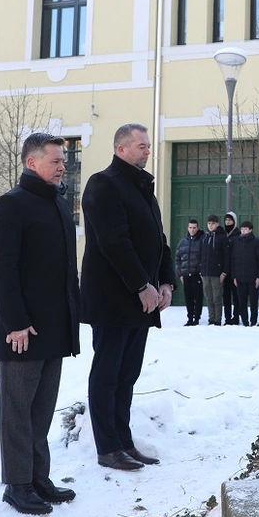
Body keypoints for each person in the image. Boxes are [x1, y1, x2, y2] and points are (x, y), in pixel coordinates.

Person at [0, 132, 80, 515]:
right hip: (22, 330)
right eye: (56, 161)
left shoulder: (58, 205)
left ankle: (39, 478)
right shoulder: (11, 205)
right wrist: (16, 323)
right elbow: (3, 269)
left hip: (55, 326)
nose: (63, 167)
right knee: (17, 411)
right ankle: (18, 484)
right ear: (32, 163)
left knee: (42, 410)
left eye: (63, 161)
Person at [80, 123, 173, 473]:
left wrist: (165, 282)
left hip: (142, 298)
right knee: (108, 372)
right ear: (120, 149)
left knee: (128, 373)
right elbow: (113, 242)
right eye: (140, 146)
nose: (147, 150)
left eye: (148, 146)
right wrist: (140, 284)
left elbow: (159, 240)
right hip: (113, 297)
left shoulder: (143, 187)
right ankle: (107, 447)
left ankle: (124, 441)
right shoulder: (103, 184)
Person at [228, 220, 259, 326]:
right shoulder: (236, 242)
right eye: (242, 229)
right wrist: (234, 276)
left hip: (253, 278)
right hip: (239, 278)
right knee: (241, 302)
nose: (243, 231)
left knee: (253, 302)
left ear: (250, 230)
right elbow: (233, 260)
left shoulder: (256, 242)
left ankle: (253, 321)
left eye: (246, 229)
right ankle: (244, 321)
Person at [198, 215, 228, 326]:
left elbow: (226, 256)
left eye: (213, 223)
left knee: (217, 298)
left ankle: (217, 319)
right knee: (209, 297)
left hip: (217, 273)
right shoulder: (204, 238)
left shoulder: (222, 238)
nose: (211, 225)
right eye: (209, 223)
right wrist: (200, 270)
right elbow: (200, 255)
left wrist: (224, 272)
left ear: (217, 224)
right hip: (205, 273)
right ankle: (211, 319)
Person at [174, 219, 204, 326]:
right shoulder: (183, 242)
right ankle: (190, 318)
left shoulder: (202, 240)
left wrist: (201, 272)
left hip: (197, 274)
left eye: (194, 227)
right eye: (190, 227)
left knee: (198, 297)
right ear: (188, 228)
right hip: (186, 274)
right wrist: (180, 273)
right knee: (188, 298)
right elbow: (178, 258)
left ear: (198, 228)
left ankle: (197, 318)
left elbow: (203, 257)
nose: (192, 230)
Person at [221, 211, 238, 325]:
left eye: (230, 220)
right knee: (226, 297)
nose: (228, 222)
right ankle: (227, 318)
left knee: (236, 297)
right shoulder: (222, 235)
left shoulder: (238, 235)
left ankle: (235, 317)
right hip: (224, 271)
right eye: (226, 220)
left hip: (235, 271)